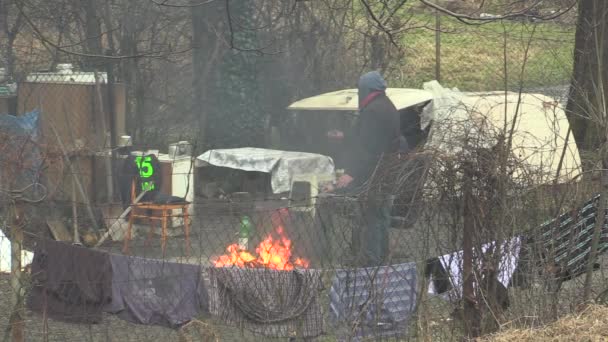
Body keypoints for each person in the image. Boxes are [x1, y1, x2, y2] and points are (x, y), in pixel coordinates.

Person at [326, 71, 408, 266]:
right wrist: (345, 137)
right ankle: (381, 256)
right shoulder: (388, 106)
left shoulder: (372, 111)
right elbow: (376, 140)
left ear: (366, 89)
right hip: (388, 172)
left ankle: (370, 261)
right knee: (382, 216)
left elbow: (368, 149)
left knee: (371, 217)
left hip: (374, 175)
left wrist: (350, 174)